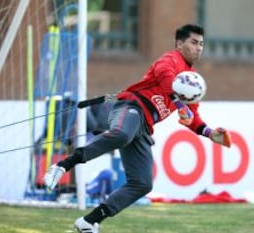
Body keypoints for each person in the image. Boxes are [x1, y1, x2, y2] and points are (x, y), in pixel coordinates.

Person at [43, 23, 232, 233]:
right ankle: (62, 166)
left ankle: (89, 221)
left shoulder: (193, 81)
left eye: (202, 44)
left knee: (142, 183)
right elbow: (165, 75)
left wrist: (210, 133)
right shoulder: (171, 59)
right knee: (122, 134)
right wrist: (179, 104)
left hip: (144, 127)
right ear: (180, 44)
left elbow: (193, 118)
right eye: (194, 43)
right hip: (131, 106)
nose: (199, 48)